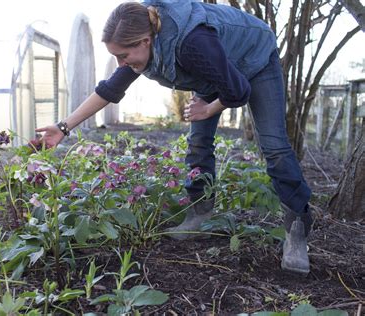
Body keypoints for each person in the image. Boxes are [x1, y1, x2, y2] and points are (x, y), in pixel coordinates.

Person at [35, 0, 313, 274]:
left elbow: (238, 91)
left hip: (254, 57)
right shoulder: (143, 41)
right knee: (198, 142)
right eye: (116, 57)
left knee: (274, 146)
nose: (120, 64)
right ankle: (199, 214)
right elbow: (108, 90)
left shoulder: (193, 43)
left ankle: (297, 230)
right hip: (215, 68)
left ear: (145, 41)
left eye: (123, 56)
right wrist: (63, 127)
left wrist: (209, 108)